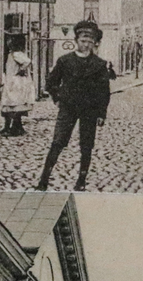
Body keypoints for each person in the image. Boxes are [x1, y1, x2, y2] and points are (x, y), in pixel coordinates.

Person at [36, 20, 112, 191]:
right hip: (68, 109)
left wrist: (101, 113)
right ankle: (43, 180)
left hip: (89, 111)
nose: (86, 44)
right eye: (83, 40)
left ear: (94, 43)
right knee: (58, 142)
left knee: (86, 146)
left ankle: (81, 180)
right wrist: (57, 98)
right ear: (77, 40)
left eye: (90, 41)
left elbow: (104, 91)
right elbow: (51, 82)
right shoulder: (65, 61)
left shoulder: (100, 65)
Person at [0, 50, 35, 136]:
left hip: (16, 82)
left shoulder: (17, 54)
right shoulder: (11, 54)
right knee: (10, 104)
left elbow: (27, 61)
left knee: (14, 104)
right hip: (11, 80)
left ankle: (14, 128)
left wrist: (21, 69)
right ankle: (11, 127)